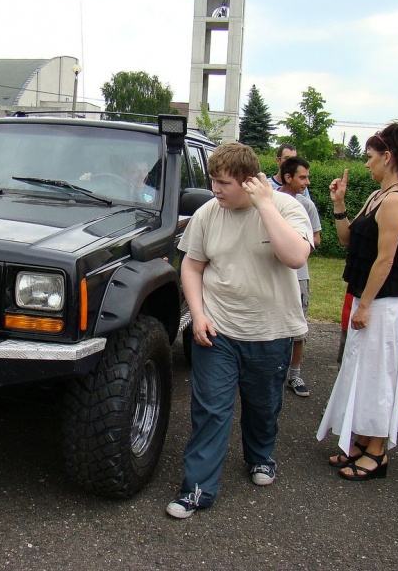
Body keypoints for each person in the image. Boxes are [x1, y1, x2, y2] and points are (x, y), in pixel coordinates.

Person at [165, 142, 313, 518]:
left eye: (224, 183)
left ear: (249, 182)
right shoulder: (208, 213)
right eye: (213, 181)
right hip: (219, 332)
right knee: (211, 411)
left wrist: (265, 204)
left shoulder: (286, 207)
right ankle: (197, 489)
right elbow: (192, 266)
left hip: (270, 332)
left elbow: (295, 256)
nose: (215, 189)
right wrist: (197, 315)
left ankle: (261, 456)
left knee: (263, 406)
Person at [316, 121, 398, 481]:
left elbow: (386, 260)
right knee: (360, 370)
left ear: (387, 157)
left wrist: (364, 306)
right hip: (367, 297)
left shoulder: (395, 200)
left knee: (376, 374)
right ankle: (361, 441)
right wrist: (340, 204)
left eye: (370, 157)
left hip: (382, 304)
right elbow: (348, 241)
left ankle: (377, 453)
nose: (366, 164)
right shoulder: (377, 196)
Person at [277, 155, 321, 397]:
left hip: (298, 276)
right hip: (272, 274)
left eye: (308, 177)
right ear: (288, 177)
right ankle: (271, 372)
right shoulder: (268, 201)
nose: (307, 182)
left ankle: (294, 375)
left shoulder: (307, 206)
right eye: (302, 177)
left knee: (298, 326)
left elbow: (316, 239)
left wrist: (296, 247)